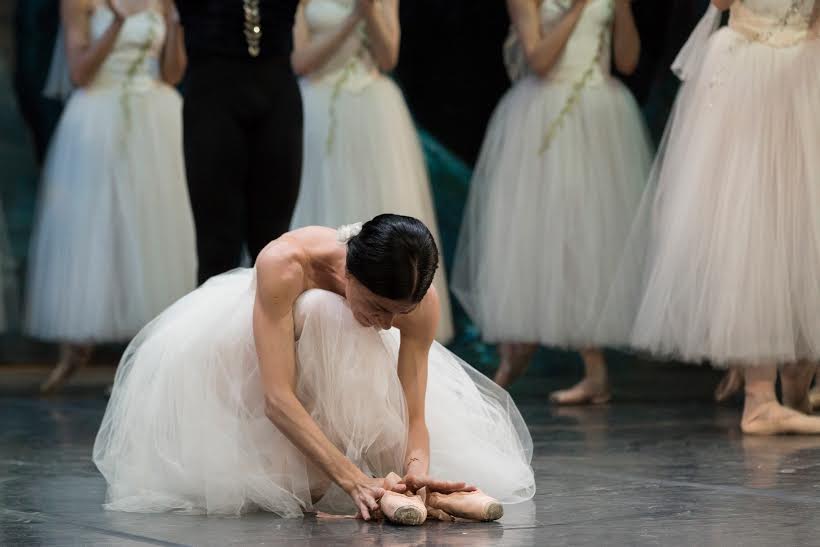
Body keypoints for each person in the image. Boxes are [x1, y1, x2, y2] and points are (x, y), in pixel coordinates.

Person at [93, 215, 535, 518]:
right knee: (330, 314)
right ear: (349, 275)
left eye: (397, 314)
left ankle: (392, 482)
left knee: (351, 331)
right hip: (251, 360)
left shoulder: (417, 304)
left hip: (344, 370)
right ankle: (336, 471)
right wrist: (353, 479)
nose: (386, 325)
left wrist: (416, 471)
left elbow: (413, 410)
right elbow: (276, 397)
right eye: (379, 308)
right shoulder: (286, 264)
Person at [599, 0, 820, 434]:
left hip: (801, 69)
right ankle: (760, 398)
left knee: (802, 222)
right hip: (747, 68)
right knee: (754, 223)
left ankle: (797, 376)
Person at [452, 0, 652, 403]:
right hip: (545, 115)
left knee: (590, 238)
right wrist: (578, 8)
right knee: (544, 234)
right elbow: (538, 59)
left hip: (599, 116)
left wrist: (624, 10)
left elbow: (627, 61)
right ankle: (517, 349)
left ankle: (596, 370)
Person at [26, 0, 196, 393]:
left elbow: (171, 73)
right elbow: (80, 72)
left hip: (155, 119)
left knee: (152, 229)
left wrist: (176, 27)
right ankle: (75, 348)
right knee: (92, 228)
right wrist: (117, 23)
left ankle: (149, 357)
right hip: (98, 115)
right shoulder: (81, 2)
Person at [289, 0, 453, 343]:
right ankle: (318, 315)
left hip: (372, 107)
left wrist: (371, 11)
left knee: (379, 203)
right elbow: (300, 61)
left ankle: (385, 308)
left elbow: (388, 57)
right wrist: (353, 18)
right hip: (319, 104)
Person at [177, 0, 303, 284]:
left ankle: (273, 326)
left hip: (278, 92)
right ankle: (216, 327)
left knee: (274, 240)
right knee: (217, 242)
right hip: (212, 93)